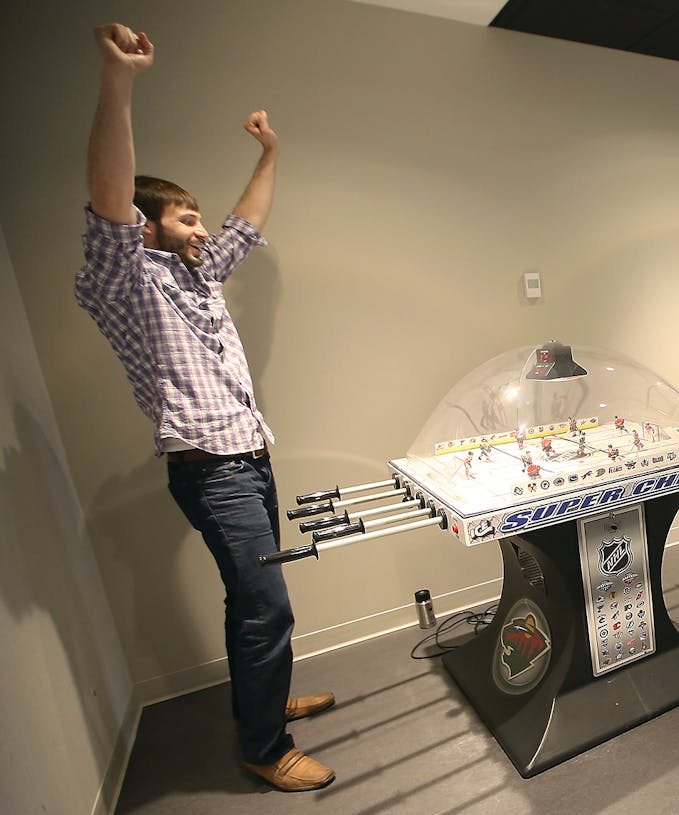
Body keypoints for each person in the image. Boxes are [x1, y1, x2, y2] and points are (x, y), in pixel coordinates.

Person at [75, 23, 335, 792]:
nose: (201, 227)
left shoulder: (198, 276)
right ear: (147, 227)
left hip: (248, 458)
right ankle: (264, 745)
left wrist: (270, 154)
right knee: (267, 604)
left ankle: (264, 703)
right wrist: (119, 82)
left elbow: (246, 226)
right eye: (184, 218)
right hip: (212, 470)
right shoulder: (127, 280)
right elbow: (107, 200)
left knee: (251, 600)